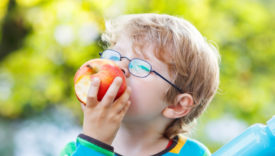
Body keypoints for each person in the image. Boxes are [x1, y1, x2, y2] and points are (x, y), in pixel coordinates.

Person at [61, 13, 220, 156]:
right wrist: (93, 144)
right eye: (114, 56)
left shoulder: (192, 154)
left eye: (140, 66)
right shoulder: (75, 151)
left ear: (177, 105)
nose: (119, 67)